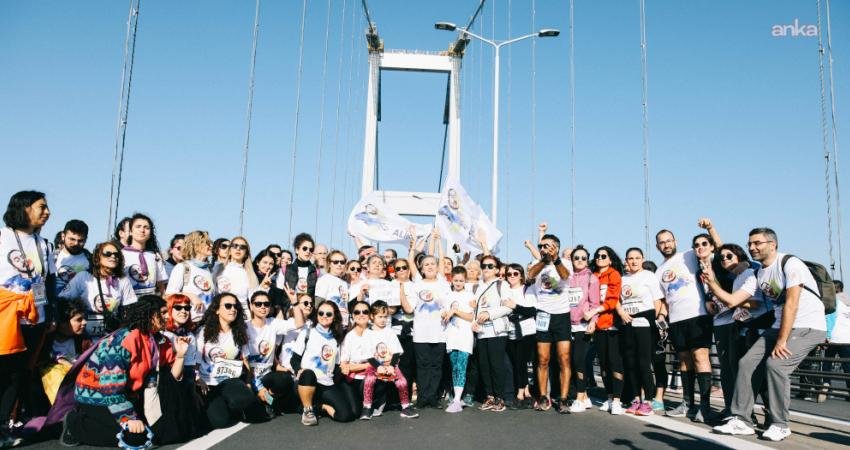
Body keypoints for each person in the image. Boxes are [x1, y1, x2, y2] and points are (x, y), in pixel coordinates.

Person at [714, 228, 827, 441]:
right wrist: (711, 279)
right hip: (778, 326)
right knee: (746, 363)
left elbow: (792, 304)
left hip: (807, 325)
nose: (752, 247)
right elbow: (732, 299)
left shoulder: (790, 264)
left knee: (776, 365)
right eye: (749, 244)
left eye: (757, 243)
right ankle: (742, 420)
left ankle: (780, 424)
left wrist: (782, 340)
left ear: (772, 244)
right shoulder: (759, 272)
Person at [60, 295, 189, 447]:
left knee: (159, 433)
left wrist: (180, 355)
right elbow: (110, 388)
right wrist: (128, 418)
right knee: (135, 438)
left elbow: (171, 379)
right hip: (97, 396)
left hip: (129, 395)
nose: (167, 316)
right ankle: (74, 424)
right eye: (162, 313)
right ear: (149, 315)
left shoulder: (158, 339)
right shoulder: (122, 341)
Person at [1, 191, 57, 436]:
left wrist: (49, 314)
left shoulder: (44, 244)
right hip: (5, 314)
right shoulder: (2, 237)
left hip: (34, 318)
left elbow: (46, 281)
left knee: (19, 374)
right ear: (23, 208)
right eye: (41, 207)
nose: (47, 212)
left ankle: (4, 425)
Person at [701, 243, 767, 415]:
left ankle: (766, 415)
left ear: (740, 256)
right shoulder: (737, 277)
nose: (724, 260)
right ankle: (742, 412)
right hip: (742, 327)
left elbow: (755, 302)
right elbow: (737, 302)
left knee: (755, 371)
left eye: (729, 256)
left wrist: (732, 301)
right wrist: (733, 302)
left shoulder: (749, 273)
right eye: (721, 258)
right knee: (735, 368)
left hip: (757, 326)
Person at [655, 228, 713, 422]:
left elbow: (716, 250)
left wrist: (710, 229)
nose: (666, 244)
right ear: (658, 246)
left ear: (675, 241)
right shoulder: (659, 271)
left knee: (700, 356)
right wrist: (662, 317)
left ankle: (705, 407)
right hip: (676, 320)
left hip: (698, 314)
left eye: (669, 241)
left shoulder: (688, 255)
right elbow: (663, 300)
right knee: (684, 361)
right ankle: (688, 403)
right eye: (662, 242)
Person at [196, 293, 268, 429]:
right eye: (228, 306)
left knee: (246, 400)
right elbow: (196, 363)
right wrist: (198, 378)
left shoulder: (239, 332)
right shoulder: (203, 332)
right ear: (217, 310)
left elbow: (245, 360)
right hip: (209, 383)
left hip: (230, 380)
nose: (233, 309)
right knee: (221, 422)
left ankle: (237, 403)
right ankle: (226, 405)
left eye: (235, 306)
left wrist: (248, 384)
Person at [292, 300, 358, 425]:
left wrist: (344, 368)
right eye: (321, 313)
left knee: (346, 415)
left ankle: (321, 407)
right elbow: (294, 358)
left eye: (329, 314)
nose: (324, 316)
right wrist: (298, 370)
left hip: (326, 383)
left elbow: (336, 365)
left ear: (334, 317)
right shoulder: (308, 332)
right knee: (308, 373)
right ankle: (307, 410)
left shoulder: (336, 339)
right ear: (317, 315)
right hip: (306, 382)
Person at [526, 233, 572, 411]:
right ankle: (544, 396)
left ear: (557, 247)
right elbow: (530, 275)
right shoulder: (537, 264)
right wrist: (544, 260)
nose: (544, 248)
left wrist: (555, 259)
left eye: (548, 246)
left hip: (562, 316)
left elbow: (565, 276)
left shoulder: (565, 262)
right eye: (541, 246)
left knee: (564, 358)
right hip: (543, 315)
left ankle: (563, 398)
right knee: (543, 359)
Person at [399, 255, 449, 409]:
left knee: (436, 365)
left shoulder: (444, 284)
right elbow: (409, 309)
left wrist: (440, 303)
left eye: (432, 263)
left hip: (439, 331)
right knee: (422, 365)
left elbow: (448, 305)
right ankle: (422, 397)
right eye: (426, 264)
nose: (429, 266)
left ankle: (433, 397)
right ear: (421, 268)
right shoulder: (416, 285)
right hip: (421, 332)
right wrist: (401, 290)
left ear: (437, 266)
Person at [59, 241, 137, 339]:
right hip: (83, 338)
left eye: (116, 254)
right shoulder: (84, 277)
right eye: (108, 254)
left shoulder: (123, 280)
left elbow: (130, 310)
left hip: (111, 338)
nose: (113, 257)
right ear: (97, 257)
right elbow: (62, 301)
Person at [618, 248, 663, 416]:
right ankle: (636, 398)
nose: (634, 261)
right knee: (630, 362)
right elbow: (616, 300)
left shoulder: (649, 276)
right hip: (627, 323)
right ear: (626, 260)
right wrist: (622, 312)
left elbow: (657, 301)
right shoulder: (623, 279)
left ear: (642, 259)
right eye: (630, 258)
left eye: (637, 258)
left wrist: (655, 322)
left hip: (645, 323)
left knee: (644, 362)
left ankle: (648, 401)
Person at [245, 291, 299, 414]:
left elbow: (298, 323)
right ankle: (265, 401)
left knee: (285, 380)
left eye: (266, 304)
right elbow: (244, 360)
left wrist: (295, 302)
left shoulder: (272, 323)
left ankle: (269, 400)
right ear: (251, 306)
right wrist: (258, 387)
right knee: (254, 412)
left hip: (267, 376)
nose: (263, 307)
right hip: (249, 377)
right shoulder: (244, 327)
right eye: (258, 304)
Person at [362, 300, 417, 418]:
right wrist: (379, 367)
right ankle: (367, 407)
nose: (383, 319)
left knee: (402, 382)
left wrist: (391, 366)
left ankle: (406, 407)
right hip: (375, 366)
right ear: (372, 316)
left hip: (390, 365)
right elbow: (368, 355)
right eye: (380, 316)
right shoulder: (367, 333)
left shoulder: (390, 332)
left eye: (385, 316)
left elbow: (396, 351)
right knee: (369, 380)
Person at [472, 255, 513, 412]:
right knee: (485, 365)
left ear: (497, 269)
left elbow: (509, 307)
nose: (487, 269)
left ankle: (500, 397)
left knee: (497, 365)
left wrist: (490, 314)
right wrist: (474, 321)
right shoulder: (477, 287)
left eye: (490, 266)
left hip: (497, 331)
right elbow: (475, 309)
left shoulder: (502, 285)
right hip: (482, 332)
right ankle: (489, 396)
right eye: (484, 266)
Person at [565, 246, 601, 413]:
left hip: (583, 326)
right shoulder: (566, 277)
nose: (579, 261)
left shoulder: (591, 279)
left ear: (587, 260)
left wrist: (593, 321)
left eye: (583, 258)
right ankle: (585, 397)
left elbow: (595, 304)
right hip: (567, 325)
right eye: (576, 258)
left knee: (579, 361)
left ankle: (579, 397)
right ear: (571, 260)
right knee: (572, 362)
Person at [500, 263, 537, 410]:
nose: (512, 277)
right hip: (510, 330)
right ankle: (526, 392)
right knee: (516, 363)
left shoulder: (528, 289)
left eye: (515, 273)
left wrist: (515, 306)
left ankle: (521, 394)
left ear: (521, 275)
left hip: (527, 331)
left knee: (524, 362)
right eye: (509, 274)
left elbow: (532, 310)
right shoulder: (505, 290)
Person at [443, 267, 474, 413]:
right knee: (454, 367)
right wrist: (444, 314)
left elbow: (471, 317)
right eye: (456, 280)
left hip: (465, 336)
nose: (458, 283)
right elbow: (443, 314)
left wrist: (455, 311)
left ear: (465, 280)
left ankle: (456, 400)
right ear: (451, 280)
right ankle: (457, 397)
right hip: (451, 336)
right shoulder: (447, 295)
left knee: (461, 366)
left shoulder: (469, 295)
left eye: (461, 280)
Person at [165, 230, 214, 321]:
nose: (211, 246)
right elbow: (169, 295)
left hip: (209, 322)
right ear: (195, 245)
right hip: (191, 322)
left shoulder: (208, 270)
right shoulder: (182, 267)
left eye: (211, 243)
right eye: (207, 243)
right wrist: (191, 296)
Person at [121, 213, 168, 297]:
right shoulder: (121, 254)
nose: (142, 230)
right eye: (138, 226)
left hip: (151, 302)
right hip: (129, 302)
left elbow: (161, 283)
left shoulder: (155, 256)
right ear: (131, 231)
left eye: (146, 227)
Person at [212, 236, 259, 314]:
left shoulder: (250, 275)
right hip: (220, 315)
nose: (238, 249)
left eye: (242, 247)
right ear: (229, 250)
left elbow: (255, 301)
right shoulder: (218, 269)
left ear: (246, 253)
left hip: (242, 316)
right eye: (235, 246)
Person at [822, 280, 849, 401]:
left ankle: (826, 388)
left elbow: (829, 319)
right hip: (847, 340)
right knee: (847, 367)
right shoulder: (848, 302)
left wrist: (826, 335)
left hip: (833, 338)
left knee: (827, 365)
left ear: (835, 289)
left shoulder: (834, 302)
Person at [53, 220, 90, 294]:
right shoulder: (51, 258)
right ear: (63, 236)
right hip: (54, 303)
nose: (76, 243)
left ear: (86, 239)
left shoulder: (92, 261)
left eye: (80, 241)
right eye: (72, 239)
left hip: (79, 304)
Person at [314, 250, 350, 325]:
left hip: (343, 323)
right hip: (329, 323)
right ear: (329, 264)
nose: (339, 264)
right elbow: (318, 303)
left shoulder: (344, 283)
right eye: (336, 262)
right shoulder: (324, 279)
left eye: (342, 262)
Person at [283, 233, 318, 298]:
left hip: (308, 306)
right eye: (304, 248)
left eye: (311, 249)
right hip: (290, 306)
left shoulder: (315, 271)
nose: (308, 251)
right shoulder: (286, 269)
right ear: (297, 250)